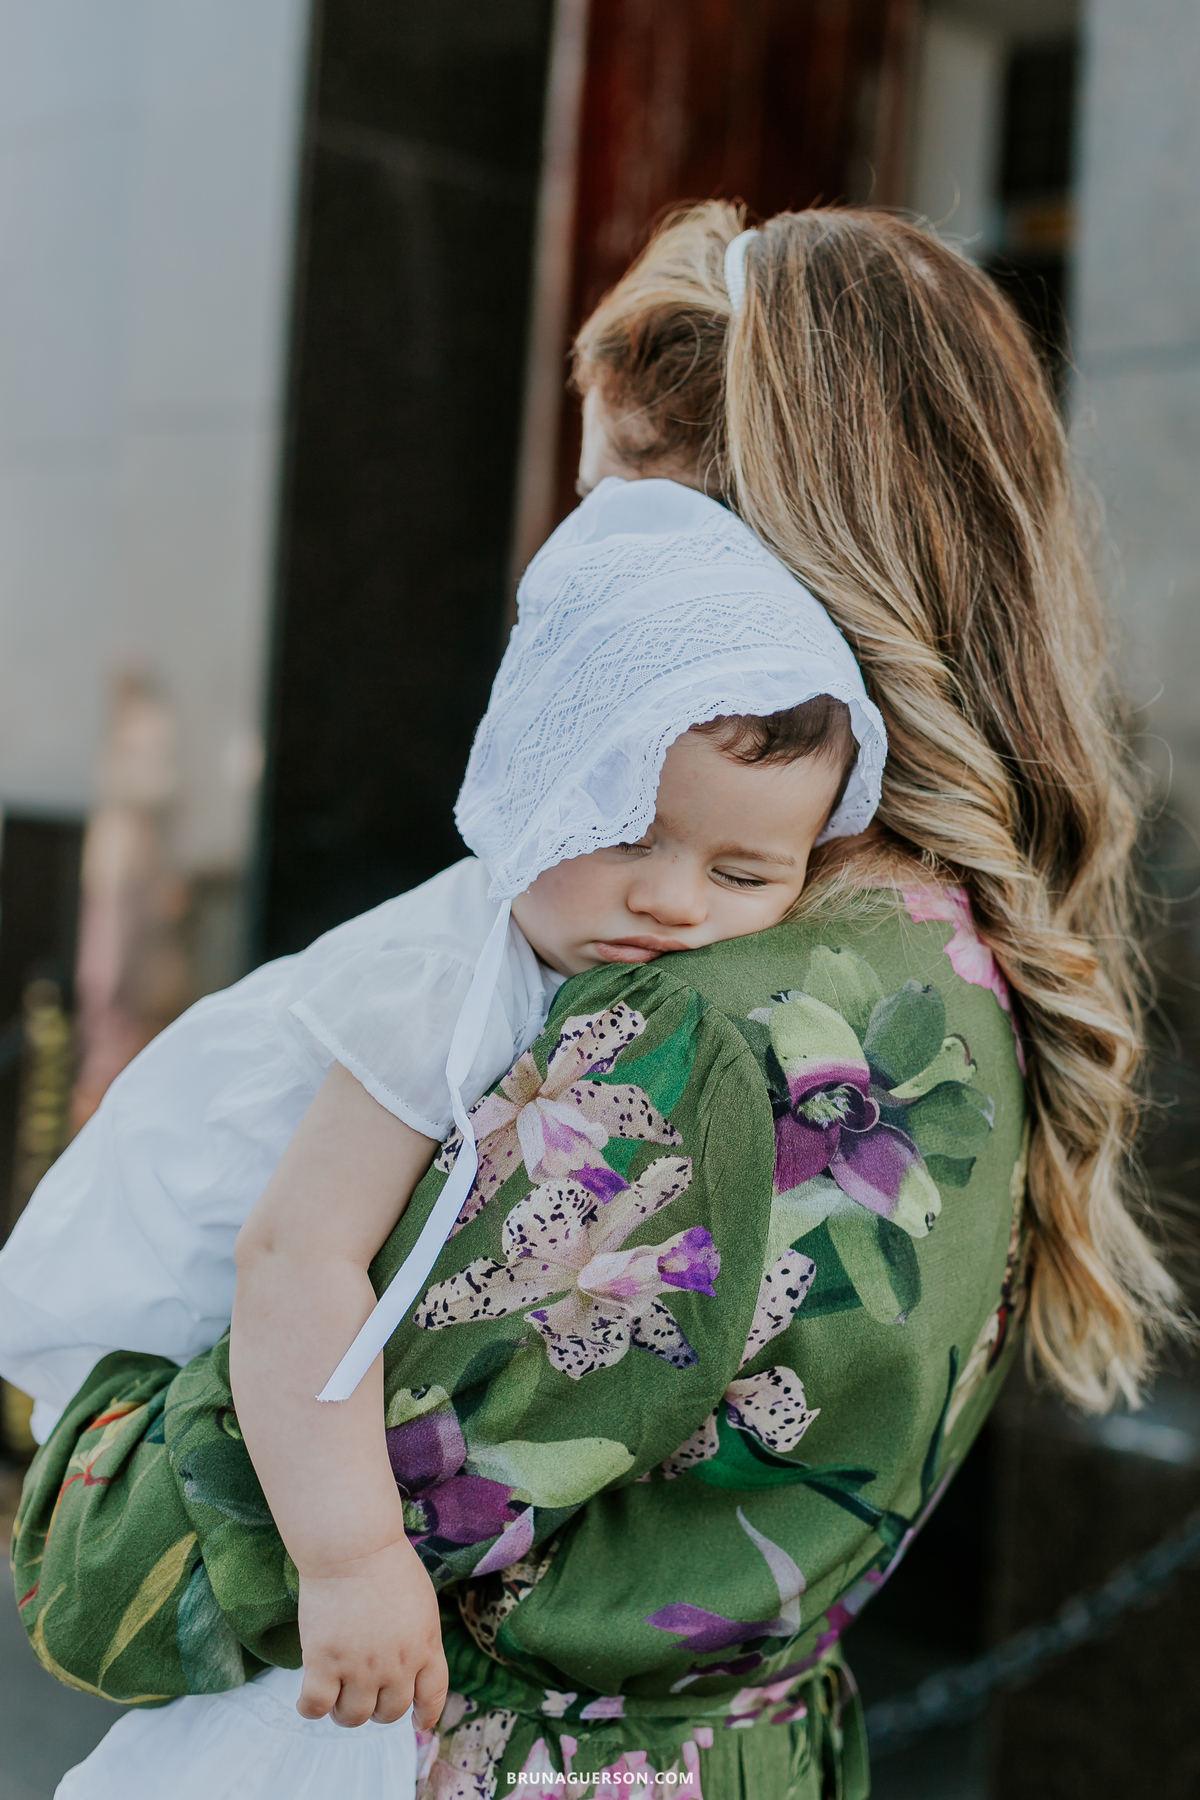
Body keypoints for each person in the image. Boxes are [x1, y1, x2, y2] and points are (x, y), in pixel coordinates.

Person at [6, 202, 1181, 1800]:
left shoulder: (675, 1034)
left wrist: (86, 1464)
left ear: (761, 555)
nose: (566, 577)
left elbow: (123, 1590)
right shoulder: (965, 960)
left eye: (619, 507)